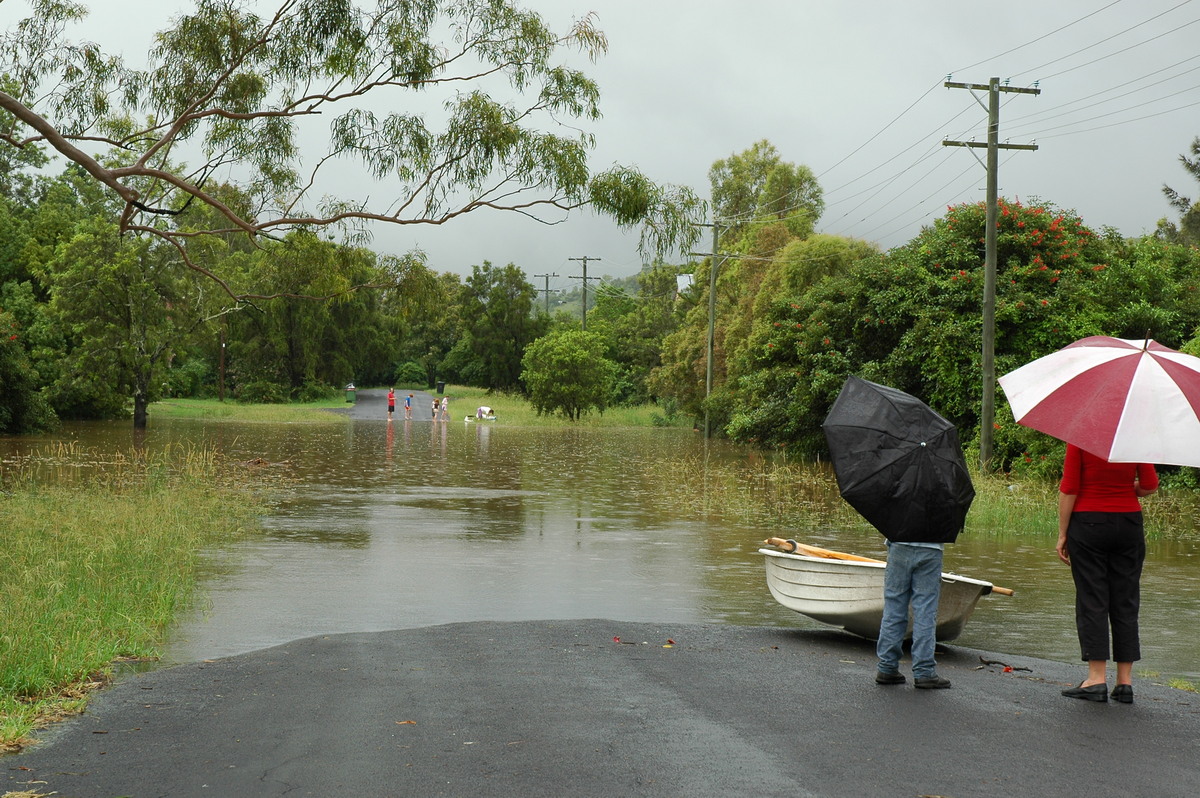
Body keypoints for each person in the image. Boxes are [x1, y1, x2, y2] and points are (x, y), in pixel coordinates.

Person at [1057, 443, 1158, 703]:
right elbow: (1149, 485)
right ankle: (1124, 683)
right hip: (1128, 524)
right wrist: (1126, 490)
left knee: (1093, 598)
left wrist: (1062, 533)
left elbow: (1069, 487)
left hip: (1088, 522)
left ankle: (1096, 679)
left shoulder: (1080, 438)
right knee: (1126, 599)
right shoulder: (1135, 438)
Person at [874, 540, 952, 689]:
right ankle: (924, 672)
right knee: (925, 611)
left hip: (899, 544)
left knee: (893, 607)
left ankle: (887, 667)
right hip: (931, 548)